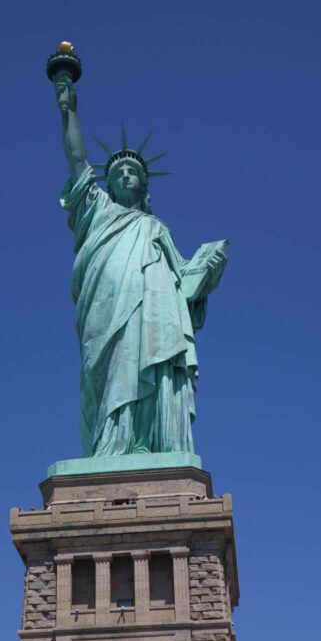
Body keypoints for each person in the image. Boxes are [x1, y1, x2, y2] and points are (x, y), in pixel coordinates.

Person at [53, 67, 228, 458]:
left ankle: (150, 442)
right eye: (119, 172)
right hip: (106, 308)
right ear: (109, 182)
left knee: (154, 360)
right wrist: (68, 109)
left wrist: (206, 272)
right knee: (111, 370)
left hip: (154, 312)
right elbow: (77, 160)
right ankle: (111, 447)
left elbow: (184, 285)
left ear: (144, 186)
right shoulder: (96, 211)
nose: (127, 175)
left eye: (134, 172)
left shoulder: (156, 228)